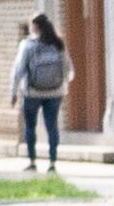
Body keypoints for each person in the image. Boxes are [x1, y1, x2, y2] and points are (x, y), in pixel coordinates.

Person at [14, 13, 71, 169]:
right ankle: (52, 163)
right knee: (52, 126)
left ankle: (32, 162)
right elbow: (69, 69)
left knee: (30, 127)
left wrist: (13, 92)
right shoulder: (58, 43)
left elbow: (18, 70)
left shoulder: (27, 45)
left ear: (35, 27)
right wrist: (62, 83)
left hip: (32, 92)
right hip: (55, 92)